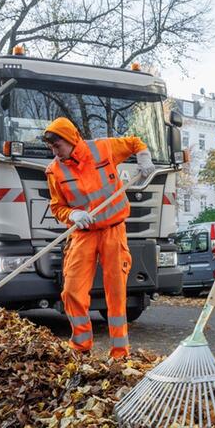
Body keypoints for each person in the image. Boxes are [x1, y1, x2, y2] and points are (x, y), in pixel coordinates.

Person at [43, 117, 156, 359]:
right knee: (72, 289)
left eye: (57, 146)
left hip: (113, 230)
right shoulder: (54, 171)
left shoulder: (102, 149)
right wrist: (72, 214)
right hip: (83, 234)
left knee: (115, 291)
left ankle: (119, 352)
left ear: (72, 139)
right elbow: (57, 207)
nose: (55, 152)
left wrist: (144, 158)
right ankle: (81, 346)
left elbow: (135, 143)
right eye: (51, 148)